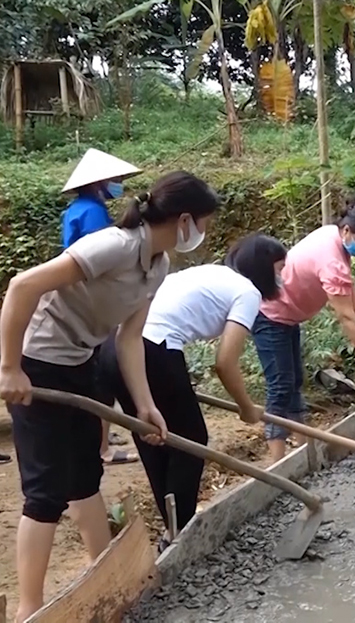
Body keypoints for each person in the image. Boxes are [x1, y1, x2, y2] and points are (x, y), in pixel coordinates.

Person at [0, 171, 218, 622]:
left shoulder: (157, 265)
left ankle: (107, 573)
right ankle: (29, 609)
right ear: (183, 220)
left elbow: (130, 339)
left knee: (86, 476)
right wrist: (10, 367)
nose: (204, 232)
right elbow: (23, 286)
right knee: (45, 491)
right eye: (204, 222)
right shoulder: (113, 246)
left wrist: (145, 405)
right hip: (38, 362)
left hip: (81, 361)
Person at [98, 234, 286, 546]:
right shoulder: (247, 292)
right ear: (265, 268)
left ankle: (172, 531)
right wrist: (246, 407)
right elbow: (225, 363)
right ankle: (181, 533)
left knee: (154, 436)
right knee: (191, 439)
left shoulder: (213, 274)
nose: (282, 277)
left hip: (113, 349)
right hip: (151, 349)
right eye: (280, 269)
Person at [253, 202, 355, 463]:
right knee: (280, 386)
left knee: (293, 381)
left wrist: (353, 294)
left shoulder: (332, 234)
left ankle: (304, 450)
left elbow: (348, 292)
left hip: (286, 316)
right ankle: (277, 465)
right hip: (270, 315)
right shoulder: (331, 257)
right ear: (347, 230)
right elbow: (346, 316)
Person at [60, 148, 144, 468]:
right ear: (100, 183)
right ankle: (102, 448)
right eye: (116, 180)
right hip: (92, 297)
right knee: (99, 376)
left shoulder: (77, 209)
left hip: (78, 293)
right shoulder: (93, 213)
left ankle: (100, 436)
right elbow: (103, 257)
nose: (119, 185)